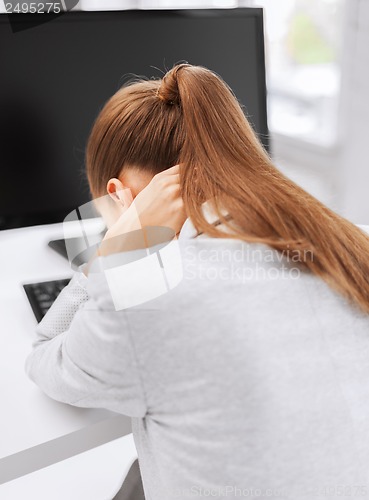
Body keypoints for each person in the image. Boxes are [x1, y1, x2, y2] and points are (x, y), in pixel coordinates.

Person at [25, 63, 369, 500]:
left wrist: (122, 245)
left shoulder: (146, 304)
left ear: (117, 195)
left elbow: (44, 358)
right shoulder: (347, 242)